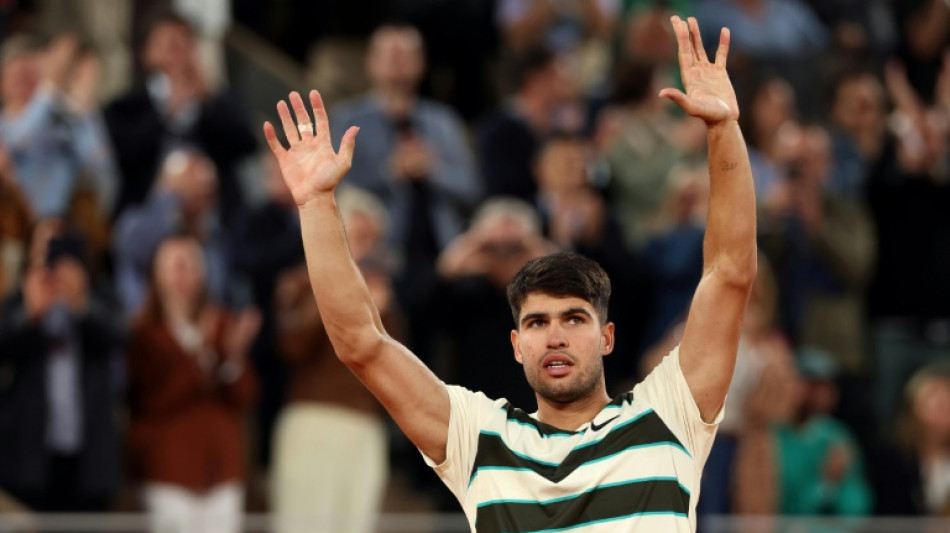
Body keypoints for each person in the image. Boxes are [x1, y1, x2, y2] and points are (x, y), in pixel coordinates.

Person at [263, 15, 755, 532]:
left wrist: (724, 131)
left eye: (574, 318)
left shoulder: (668, 415)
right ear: (518, 345)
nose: (556, 336)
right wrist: (316, 203)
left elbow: (729, 274)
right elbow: (361, 342)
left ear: (607, 337)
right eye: (538, 322)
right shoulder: (481, 439)